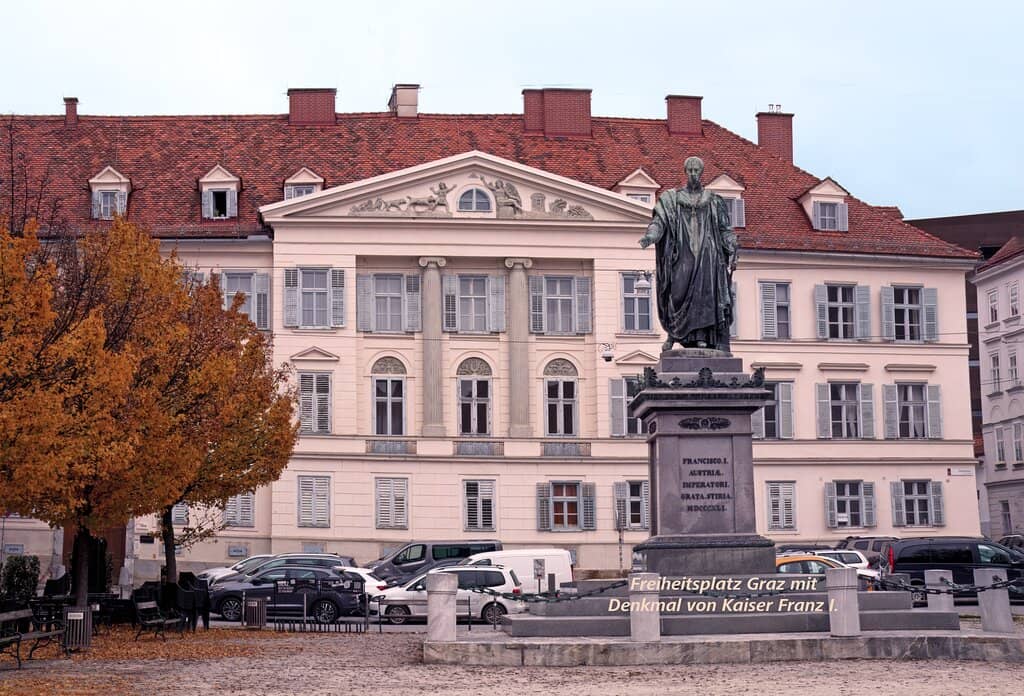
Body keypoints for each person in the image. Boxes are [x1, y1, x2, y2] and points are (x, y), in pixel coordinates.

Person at [639, 156, 738, 352]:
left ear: (702, 173)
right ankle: (673, 334)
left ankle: (701, 336)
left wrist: (731, 243)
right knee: (676, 291)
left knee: (705, 296)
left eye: (696, 170)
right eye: (690, 170)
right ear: (685, 172)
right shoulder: (671, 198)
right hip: (681, 252)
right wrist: (651, 236)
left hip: (708, 255)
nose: (693, 174)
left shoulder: (713, 200)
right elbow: (659, 221)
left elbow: (724, 229)